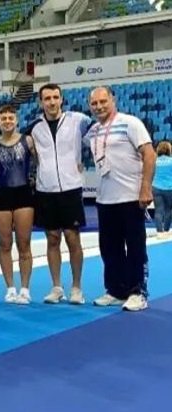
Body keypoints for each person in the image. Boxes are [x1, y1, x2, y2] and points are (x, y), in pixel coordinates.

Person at [86, 86, 156, 312]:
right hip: (105, 199)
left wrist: (145, 188)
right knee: (109, 248)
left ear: (113, 100)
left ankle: (138, 292)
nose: (99, 106)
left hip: (131, 197)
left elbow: (149, 154)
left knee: (135, 247)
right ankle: (116, 290)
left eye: (103, 101)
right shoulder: (94, 130)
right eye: (94, 103)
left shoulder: (131, 122)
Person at [27, 83, 91, 304]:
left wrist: (82, 162)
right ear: (40, 102)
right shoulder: (34, 127)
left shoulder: (78, 120)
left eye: (55, 97)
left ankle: (76, 288)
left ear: (62, 99)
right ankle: (56, 287)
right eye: (47, 98)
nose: (52, 102)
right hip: (46, 190)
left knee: (73, 239)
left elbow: (99, 135)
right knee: (52, 239)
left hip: (71, 188)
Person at [0, 105, 35, 304]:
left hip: (23, 194)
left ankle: (25, 288)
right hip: (1, 195)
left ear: (17, 120)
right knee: (5, 244)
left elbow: (42, 163)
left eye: (10, 117)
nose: (7, 121)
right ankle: (10, 288)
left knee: (24, 244)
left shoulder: (28, 140)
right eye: (3, 118)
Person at [153, 141, 172, 239]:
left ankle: (159, 232)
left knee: (158, 210)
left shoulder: (154, 161)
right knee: (169, 210)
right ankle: (167, 230)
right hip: (169, 188)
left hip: (156, 187)